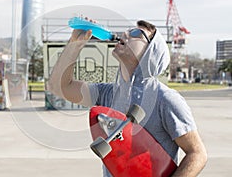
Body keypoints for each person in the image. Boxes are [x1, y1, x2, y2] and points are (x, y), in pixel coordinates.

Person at [48, 18, 207, 177]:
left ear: (152, 52)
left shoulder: (165, 99)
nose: (125, 34)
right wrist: (74, 44)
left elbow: (197, 154)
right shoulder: (108, 94)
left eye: (136, 33)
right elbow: (60, 87)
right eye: (128, 31)